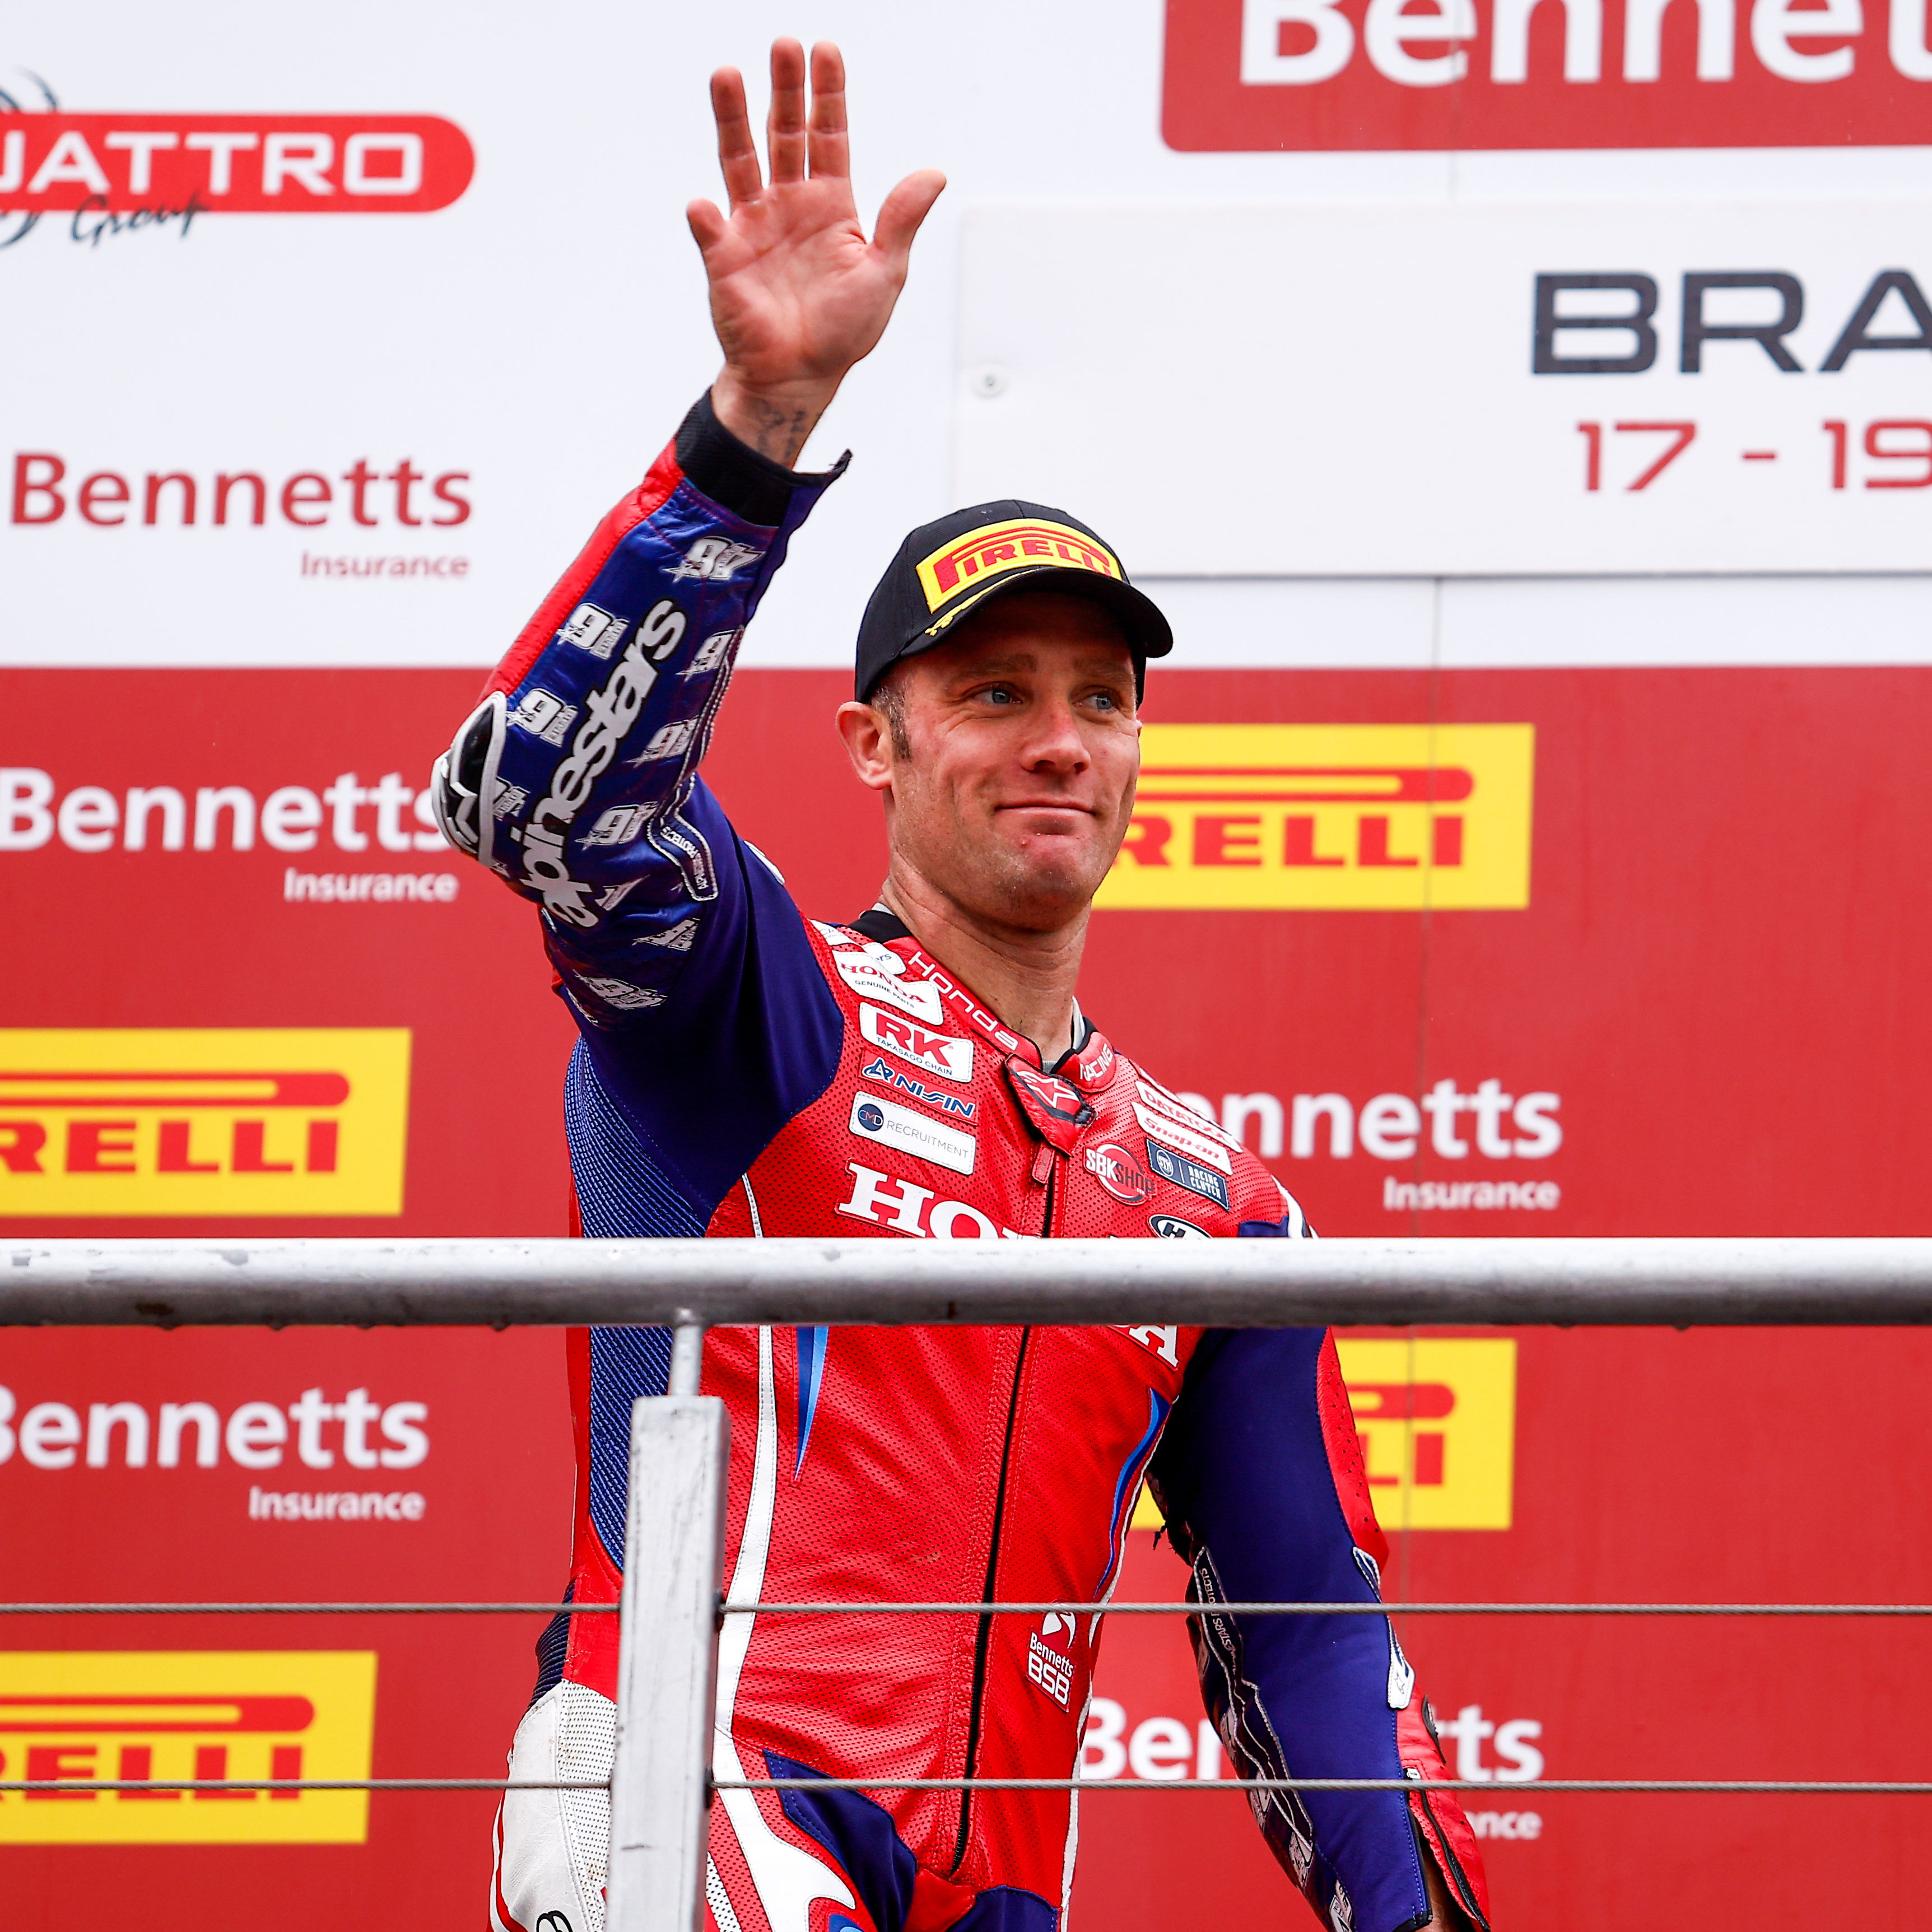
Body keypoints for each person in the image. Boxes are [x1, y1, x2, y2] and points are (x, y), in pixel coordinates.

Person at [435, 39, 1490, 1932]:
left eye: (1101, 698)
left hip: (998, 1889)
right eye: (993, 694)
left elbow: (1316, 1645)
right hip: (699, 1808)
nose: (1059, 741)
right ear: (871, 745)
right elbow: (540, 799)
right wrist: (753, 433)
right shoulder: (759, 998)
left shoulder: (1216, 1204)